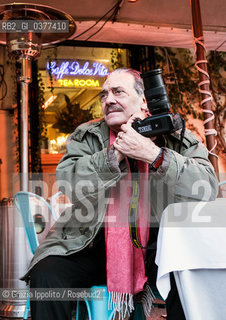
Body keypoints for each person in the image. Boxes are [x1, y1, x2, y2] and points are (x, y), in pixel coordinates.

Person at [23, 68, 218, 320]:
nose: (109, 99)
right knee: (48, 273)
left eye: (118, 92)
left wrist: (154, 155)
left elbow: (207, 186)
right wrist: (115, 154)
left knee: (186, 274)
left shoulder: (174, 134)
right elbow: (69, 182)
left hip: (159, 248)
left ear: (143, 100)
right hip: (90, 242)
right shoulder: (88, 135)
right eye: (104, 95)